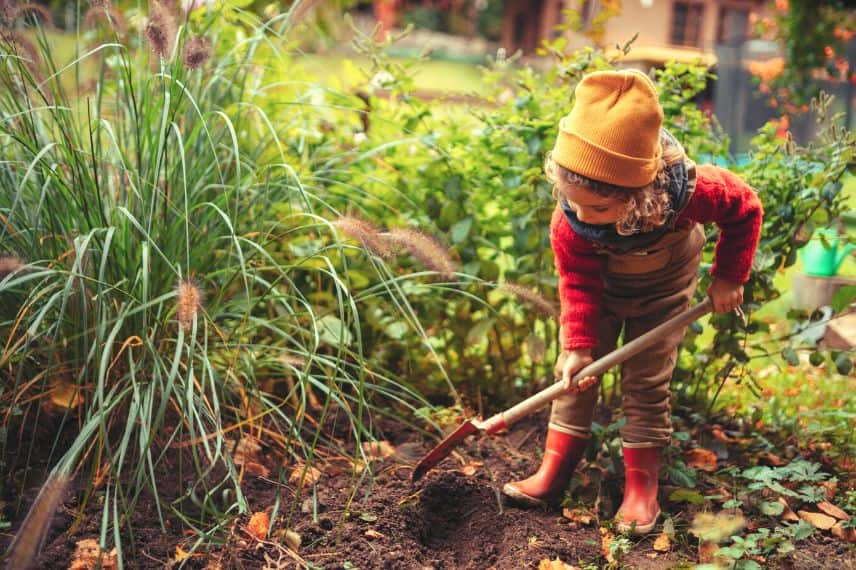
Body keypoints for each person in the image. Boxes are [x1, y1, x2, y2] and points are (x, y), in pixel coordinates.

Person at [502, 69, 763, 534]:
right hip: (600, 291)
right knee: (575, 376)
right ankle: (553, 473)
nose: (582, 215)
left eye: (598, 209)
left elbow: (746, 208)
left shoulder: (694, 193)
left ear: (641, 194)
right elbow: (577, 283)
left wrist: (728, 276)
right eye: (572, 201)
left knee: (647, 380)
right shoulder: (572, 223)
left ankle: (641, 490)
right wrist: (580, 344)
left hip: (663, 291)